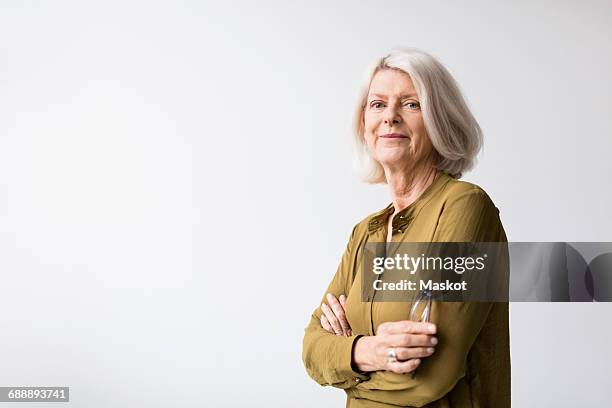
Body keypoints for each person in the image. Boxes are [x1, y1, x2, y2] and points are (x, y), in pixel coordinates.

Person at [302, 48, 510, 407]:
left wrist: (347, 363)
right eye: (377, 104)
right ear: (363, 123)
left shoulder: (465, 208)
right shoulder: (365, 232)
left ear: (440, 121)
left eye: (411, 104)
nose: (390, 118)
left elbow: (431, 378)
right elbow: (311, 348)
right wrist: (371, 351)